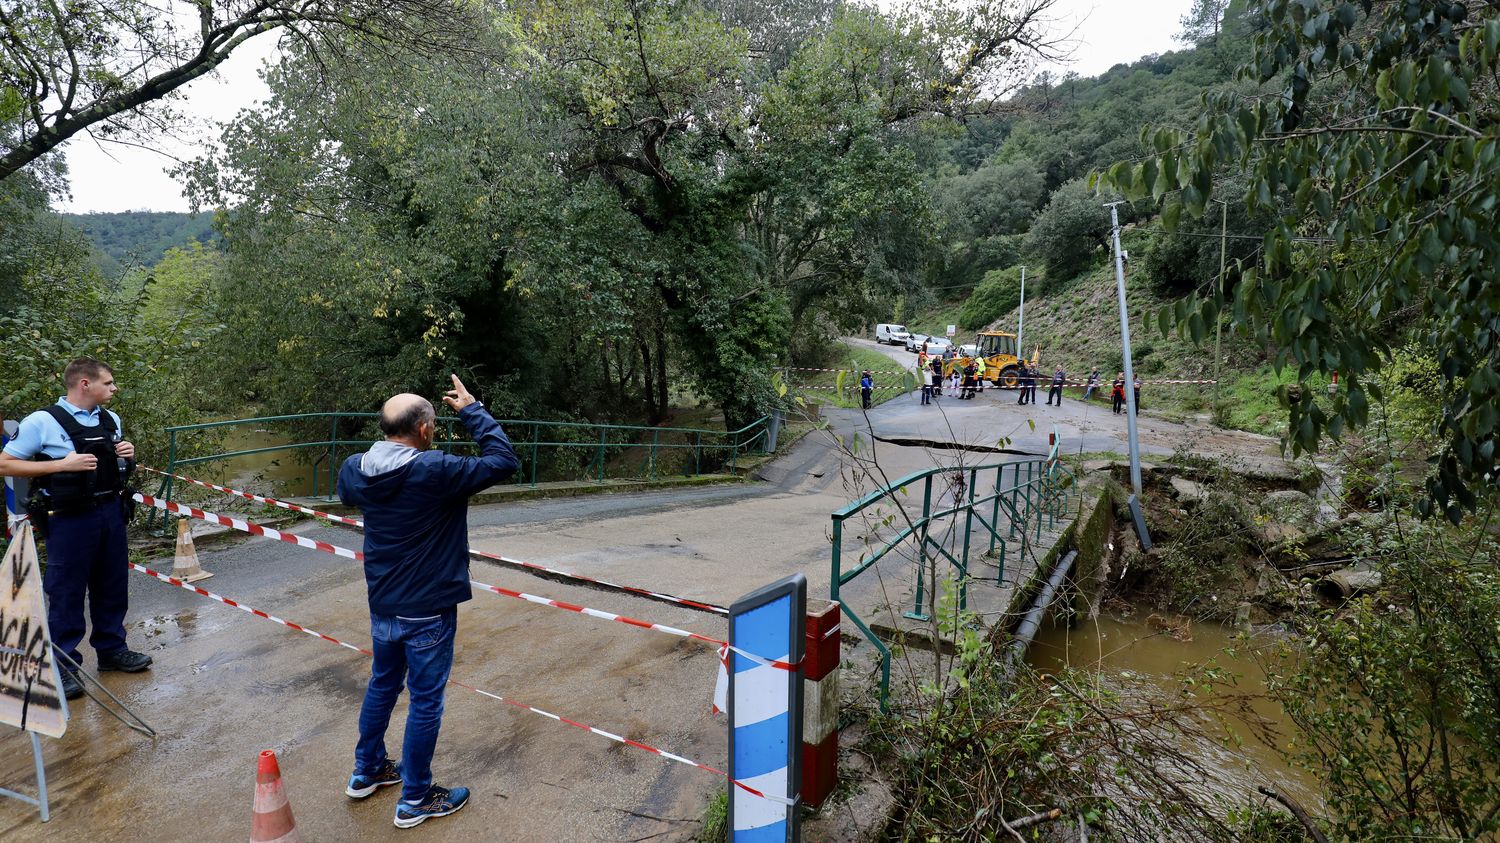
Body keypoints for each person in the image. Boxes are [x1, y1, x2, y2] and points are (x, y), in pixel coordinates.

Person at [339, 375, 519, 828]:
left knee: (383, 684)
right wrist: (473, 409)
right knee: (425, 701)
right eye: (433, 425)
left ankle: (367, 770)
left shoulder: (354, 468)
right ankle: (416, 798)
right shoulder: (434, 470)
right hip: (428, 609)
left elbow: (349, 496)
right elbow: (503, 461)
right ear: (423, 430)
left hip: (383, 602)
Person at [0, 357, 151, 700]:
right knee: (66, 591)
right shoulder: (42, 421)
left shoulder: (110, 419)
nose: (114, 388)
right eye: (108, 383)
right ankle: (63, 666)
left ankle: (112, 651)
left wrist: (128, 454)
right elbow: (5, 463)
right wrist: (61, 464)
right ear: (85, 384)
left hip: (111, 510)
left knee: (112, 584)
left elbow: (117, 464)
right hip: (69, 518)